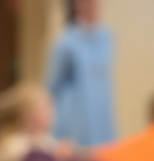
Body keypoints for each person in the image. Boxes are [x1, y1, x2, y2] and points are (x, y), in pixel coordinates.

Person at [47, 0, 116, 147]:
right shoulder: (65, 41)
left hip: (102, 115)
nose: (91, 6)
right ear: (76, 5)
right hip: (75, 118)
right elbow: (53, 87)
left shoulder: (106, 36)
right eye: (86, 3)